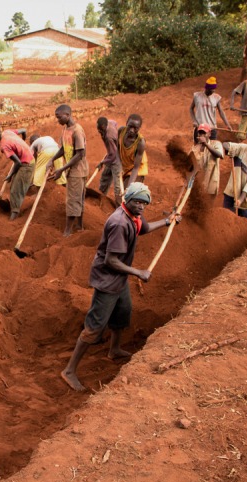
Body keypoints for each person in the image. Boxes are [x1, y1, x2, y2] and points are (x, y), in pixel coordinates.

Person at [60, 182, 180, 392]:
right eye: (137, 202)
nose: (141, 207)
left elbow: (145, 228)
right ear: (127, 200)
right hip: (108, 280)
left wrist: (167, 221)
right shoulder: (119, 223)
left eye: (144, 203)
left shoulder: (133, 215)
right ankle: (69, 370)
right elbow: (111, 260)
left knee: (123, 312)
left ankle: (114, 349)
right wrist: (138, 272)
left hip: (119, 279)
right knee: (94, 326)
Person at [47, 105, 88, 236]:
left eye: (59, 117)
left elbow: (80, 154)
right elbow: (63, 149)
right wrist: (52, 159)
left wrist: (62, 169)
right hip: (72, 171)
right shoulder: (66, 130)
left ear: (67, 115)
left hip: (78, 171)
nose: (57, 120)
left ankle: (68, 230)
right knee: (77, 198)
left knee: (73, 200)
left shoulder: (77, 130)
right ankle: (79, 227)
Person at [0, 123, 36, 221]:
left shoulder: (4, 145)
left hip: (27, 163)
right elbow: (23, 130)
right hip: (26, 158)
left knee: (16, 189)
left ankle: (14, 213)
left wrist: (10, 175)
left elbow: (17, 162)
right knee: (13, 184)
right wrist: (22, 142)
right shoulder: (7, 132)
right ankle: (13, 206)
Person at [190, 76, 233, 141]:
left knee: (212, 148)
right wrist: (194, 121)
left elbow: (221, 112)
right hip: (200, 128)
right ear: (206, 88)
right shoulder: (197, 96)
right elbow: (191, 109)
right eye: (211, 89)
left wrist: (227, 124)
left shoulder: (216, 97)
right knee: (198, 149)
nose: (213, 91)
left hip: (212, 128)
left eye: (214, 89)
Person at [190, 124, 224, 195]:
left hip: (211, 181)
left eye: (204, 133)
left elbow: (219, 155)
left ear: (209, 134)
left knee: (209, 203)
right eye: (200, 133)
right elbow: (190, 164)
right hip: (198, 184)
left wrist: (205, 144)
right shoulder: (195, 148)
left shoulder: (216, 144)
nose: (202, 135)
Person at [96, 117, 123, 204]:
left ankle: (120, 207)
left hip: (116, 159)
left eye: (99, 129)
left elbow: (113, 156)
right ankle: (100, 198)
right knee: (105, 177)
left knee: (117, 186)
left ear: (104, 127)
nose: (98, 131)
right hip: (111, 154)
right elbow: (115, 122)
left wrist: (102, 162)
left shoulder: (109, 137)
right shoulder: (110, 122)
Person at [117, 114, 148, 187]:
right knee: (119, 191)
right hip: (126, 167)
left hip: (137, 171)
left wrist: (129, 187)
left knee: (128, 192)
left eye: (135, 128)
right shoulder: (121, 131)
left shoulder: (140, 143)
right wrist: (118, 166)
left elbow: (136, 168)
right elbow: (117, 149)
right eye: (130, 126)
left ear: (139, 128)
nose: (131, 130)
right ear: (126, 123)